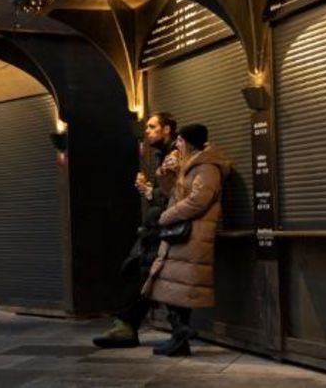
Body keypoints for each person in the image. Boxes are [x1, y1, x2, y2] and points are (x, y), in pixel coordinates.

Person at [92, 112, 180, 348]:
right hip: (158, 229)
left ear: (167, 129)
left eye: (153, 127)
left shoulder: (175, 157)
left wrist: (150, 192)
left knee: (141, 273)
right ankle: (127, 325)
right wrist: (149, 190)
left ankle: (127, 326)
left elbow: (176, 196)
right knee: (139, 273)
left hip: (165, 230)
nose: (148, 131)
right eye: (147, 128)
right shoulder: (165, 156)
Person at [143, 123, 230, 357]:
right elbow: (172, 192)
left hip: (193, 234)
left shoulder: (207, 167)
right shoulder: (188, 164)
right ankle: (179, 335)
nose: (177, 145)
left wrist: (166, 216)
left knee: (179, 288)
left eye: (180, 141)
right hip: (180, 234)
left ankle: (181, 336)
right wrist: (165, 172)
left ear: (189, 142)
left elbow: (198, 200)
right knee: (171, 287)